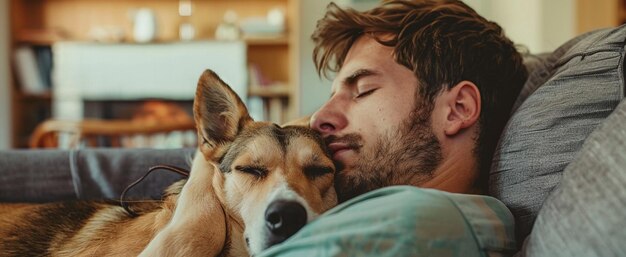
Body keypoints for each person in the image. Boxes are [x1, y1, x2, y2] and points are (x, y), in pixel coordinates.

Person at [259, 0, 528, 256]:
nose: (317, 118)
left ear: (458, 108)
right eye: (332, 95)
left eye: (363, 90)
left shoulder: (412, 225)